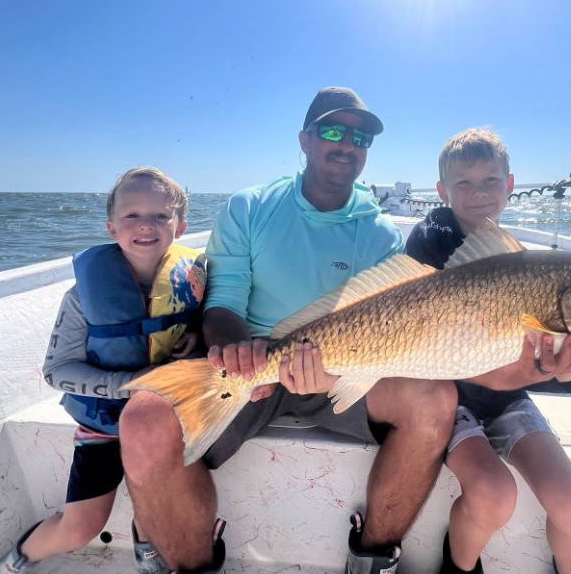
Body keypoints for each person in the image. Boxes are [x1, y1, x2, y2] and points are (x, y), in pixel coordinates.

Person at [118, 88, 458, 574]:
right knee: (144, 420)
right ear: (305, 139)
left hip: (344, 371)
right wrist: (244, 357)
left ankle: (372, 557)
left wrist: (333, 374)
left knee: (436, 401)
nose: (346, 144)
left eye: (359, 136)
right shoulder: (250, 207)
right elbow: (223, 303)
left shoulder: (382, 233)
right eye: (333, 130)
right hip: (251, 367)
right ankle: (190, 564)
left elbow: (392, 334)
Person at [405, 129, 571, 574]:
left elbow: (540, 358)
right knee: (494, 493)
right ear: (442, 191)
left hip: (508, 397)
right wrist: (543, 368)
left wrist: (569, 362)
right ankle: (458, 566)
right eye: (464, 183)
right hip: (447, 397)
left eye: (490, 181)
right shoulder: (427, 239)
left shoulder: (519, 261)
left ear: (510, 184)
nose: (478, 193)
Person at [0, 167, 206, 574]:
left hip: (165, 425)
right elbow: (57, 371)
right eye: (132, 215)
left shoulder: (193, 280)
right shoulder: (82, 297)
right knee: (80, 527)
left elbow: (202, 327)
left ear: (181, 227)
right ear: (111, 227)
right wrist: (131, 386)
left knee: (160, 503)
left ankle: (149, 547)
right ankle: (18, 561)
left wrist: (197, 336)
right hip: (103, 424)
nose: (146, 225)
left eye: (161, 216)